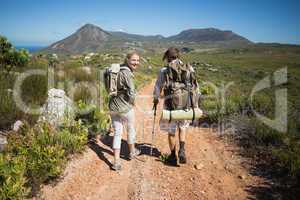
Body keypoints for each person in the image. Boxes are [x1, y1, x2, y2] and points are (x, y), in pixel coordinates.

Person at [153, 47, 198, 166]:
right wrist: (195, 104)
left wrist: (155, 100)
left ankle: (173, 156)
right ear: (178, 56)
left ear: (167, 57)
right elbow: (195, 87)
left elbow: (158, 87)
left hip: (170, 105)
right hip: (186, 104)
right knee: (182, 128)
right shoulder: (189, 68)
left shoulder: (164, 70)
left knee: (171, 131)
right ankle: (182, 150)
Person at [109, 52, 141, 171]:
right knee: (130, 129)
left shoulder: (115, 70)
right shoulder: (127, 73)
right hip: (125, 108)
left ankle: (116, 162)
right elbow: (132, 92)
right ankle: (132, 152)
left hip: (113, 106)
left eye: (137, 60)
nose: (136, 62)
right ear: (127, 59)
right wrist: (132, 102)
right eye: (133, 60)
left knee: (117, 133)